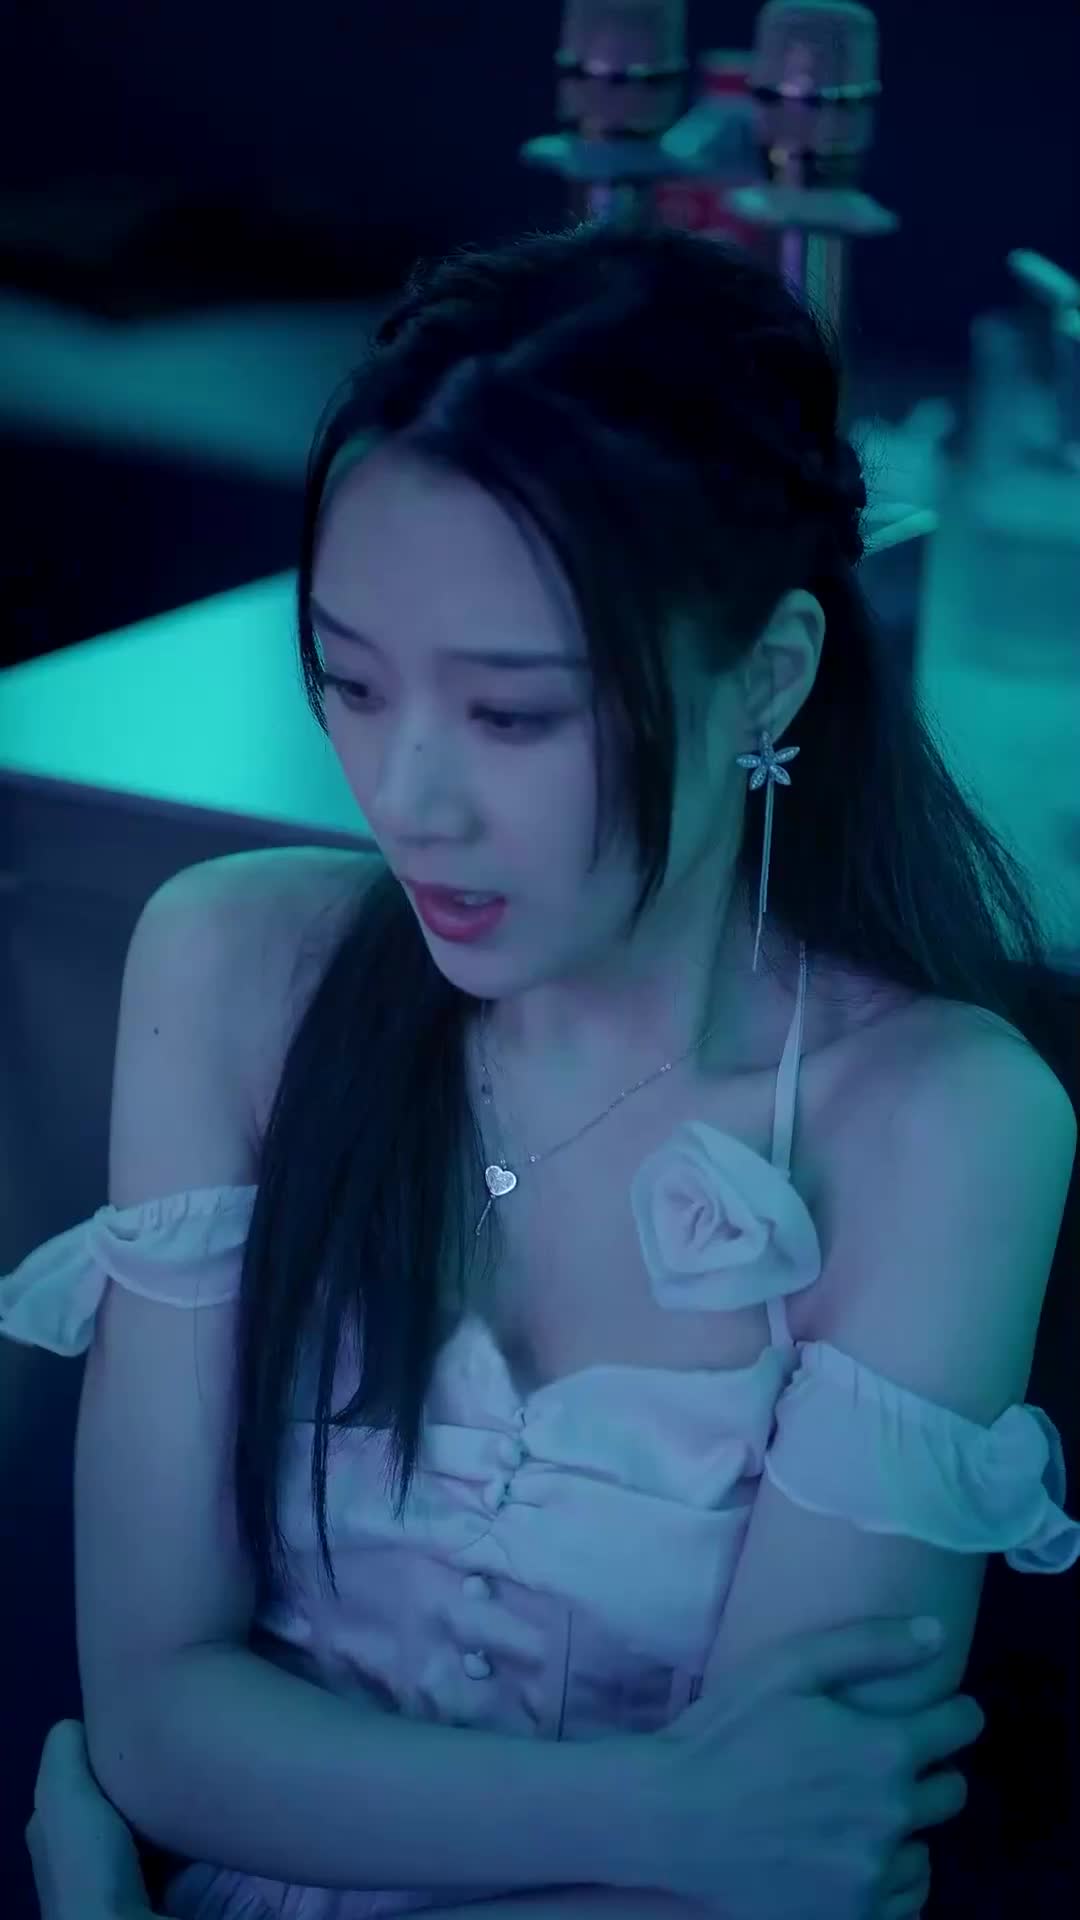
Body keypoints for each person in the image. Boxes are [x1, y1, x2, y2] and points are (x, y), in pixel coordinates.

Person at [3, 222, 1078, 1920]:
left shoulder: (938, 1123)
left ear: (768, 679)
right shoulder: (231, 966)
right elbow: (155, 1720)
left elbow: (795, 1861)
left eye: (512, 715)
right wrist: (667, 1812)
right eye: (350, 682)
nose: (405, 795)